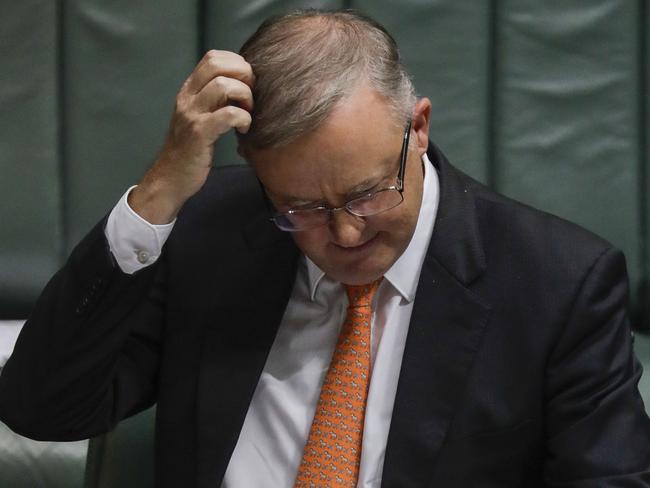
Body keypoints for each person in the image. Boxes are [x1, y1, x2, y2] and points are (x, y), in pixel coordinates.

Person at [1, 8, 649, 488]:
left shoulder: (557, 283)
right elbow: (43, 408)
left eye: (368, 192)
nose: (343, 233)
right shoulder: (211, 234)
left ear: (418, 127)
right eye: (300, 208)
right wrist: (156, 196)